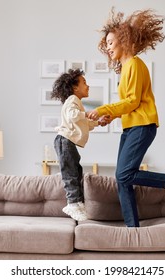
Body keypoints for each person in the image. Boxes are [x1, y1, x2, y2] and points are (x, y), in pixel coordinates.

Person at [87, 8, 165, 227]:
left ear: (124, 40)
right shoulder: (126, 69)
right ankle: (133, 230)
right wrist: (111, 117)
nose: (108, 47)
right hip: (132, 126)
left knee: (124, 174)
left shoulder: (134, 64)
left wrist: (104, 110)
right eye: (106, 44)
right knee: (122, 178)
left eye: (111, 42)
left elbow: (132, 102)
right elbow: (130, 104)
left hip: (143, 125)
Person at [51, 68, 108, 221]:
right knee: (70, 173)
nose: (88, 86)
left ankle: (79, 203)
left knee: (77, 171)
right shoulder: (72, 100)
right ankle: (73, 203)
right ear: (75, 88)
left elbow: (83, 122)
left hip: (68, 142)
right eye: (84, 83)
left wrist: (97, 122)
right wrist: (88, 114)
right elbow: (73, 116)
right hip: (64, 141)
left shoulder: (77, 103)